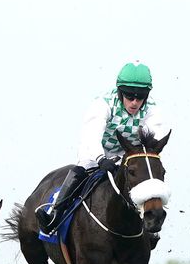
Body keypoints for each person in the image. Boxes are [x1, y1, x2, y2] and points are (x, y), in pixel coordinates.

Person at [36, 61, 170, 233]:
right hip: (97, 150)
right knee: (83, 168)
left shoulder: (152, 109)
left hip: (128, 154)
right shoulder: (103, 103)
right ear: (120, 92)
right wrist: (100, 158)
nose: (135, 102)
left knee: (148, 172)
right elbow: (91, 135)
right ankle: (55, 214)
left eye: (140, 96)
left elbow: (154, 138)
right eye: (129, 96)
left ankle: (150, 221)